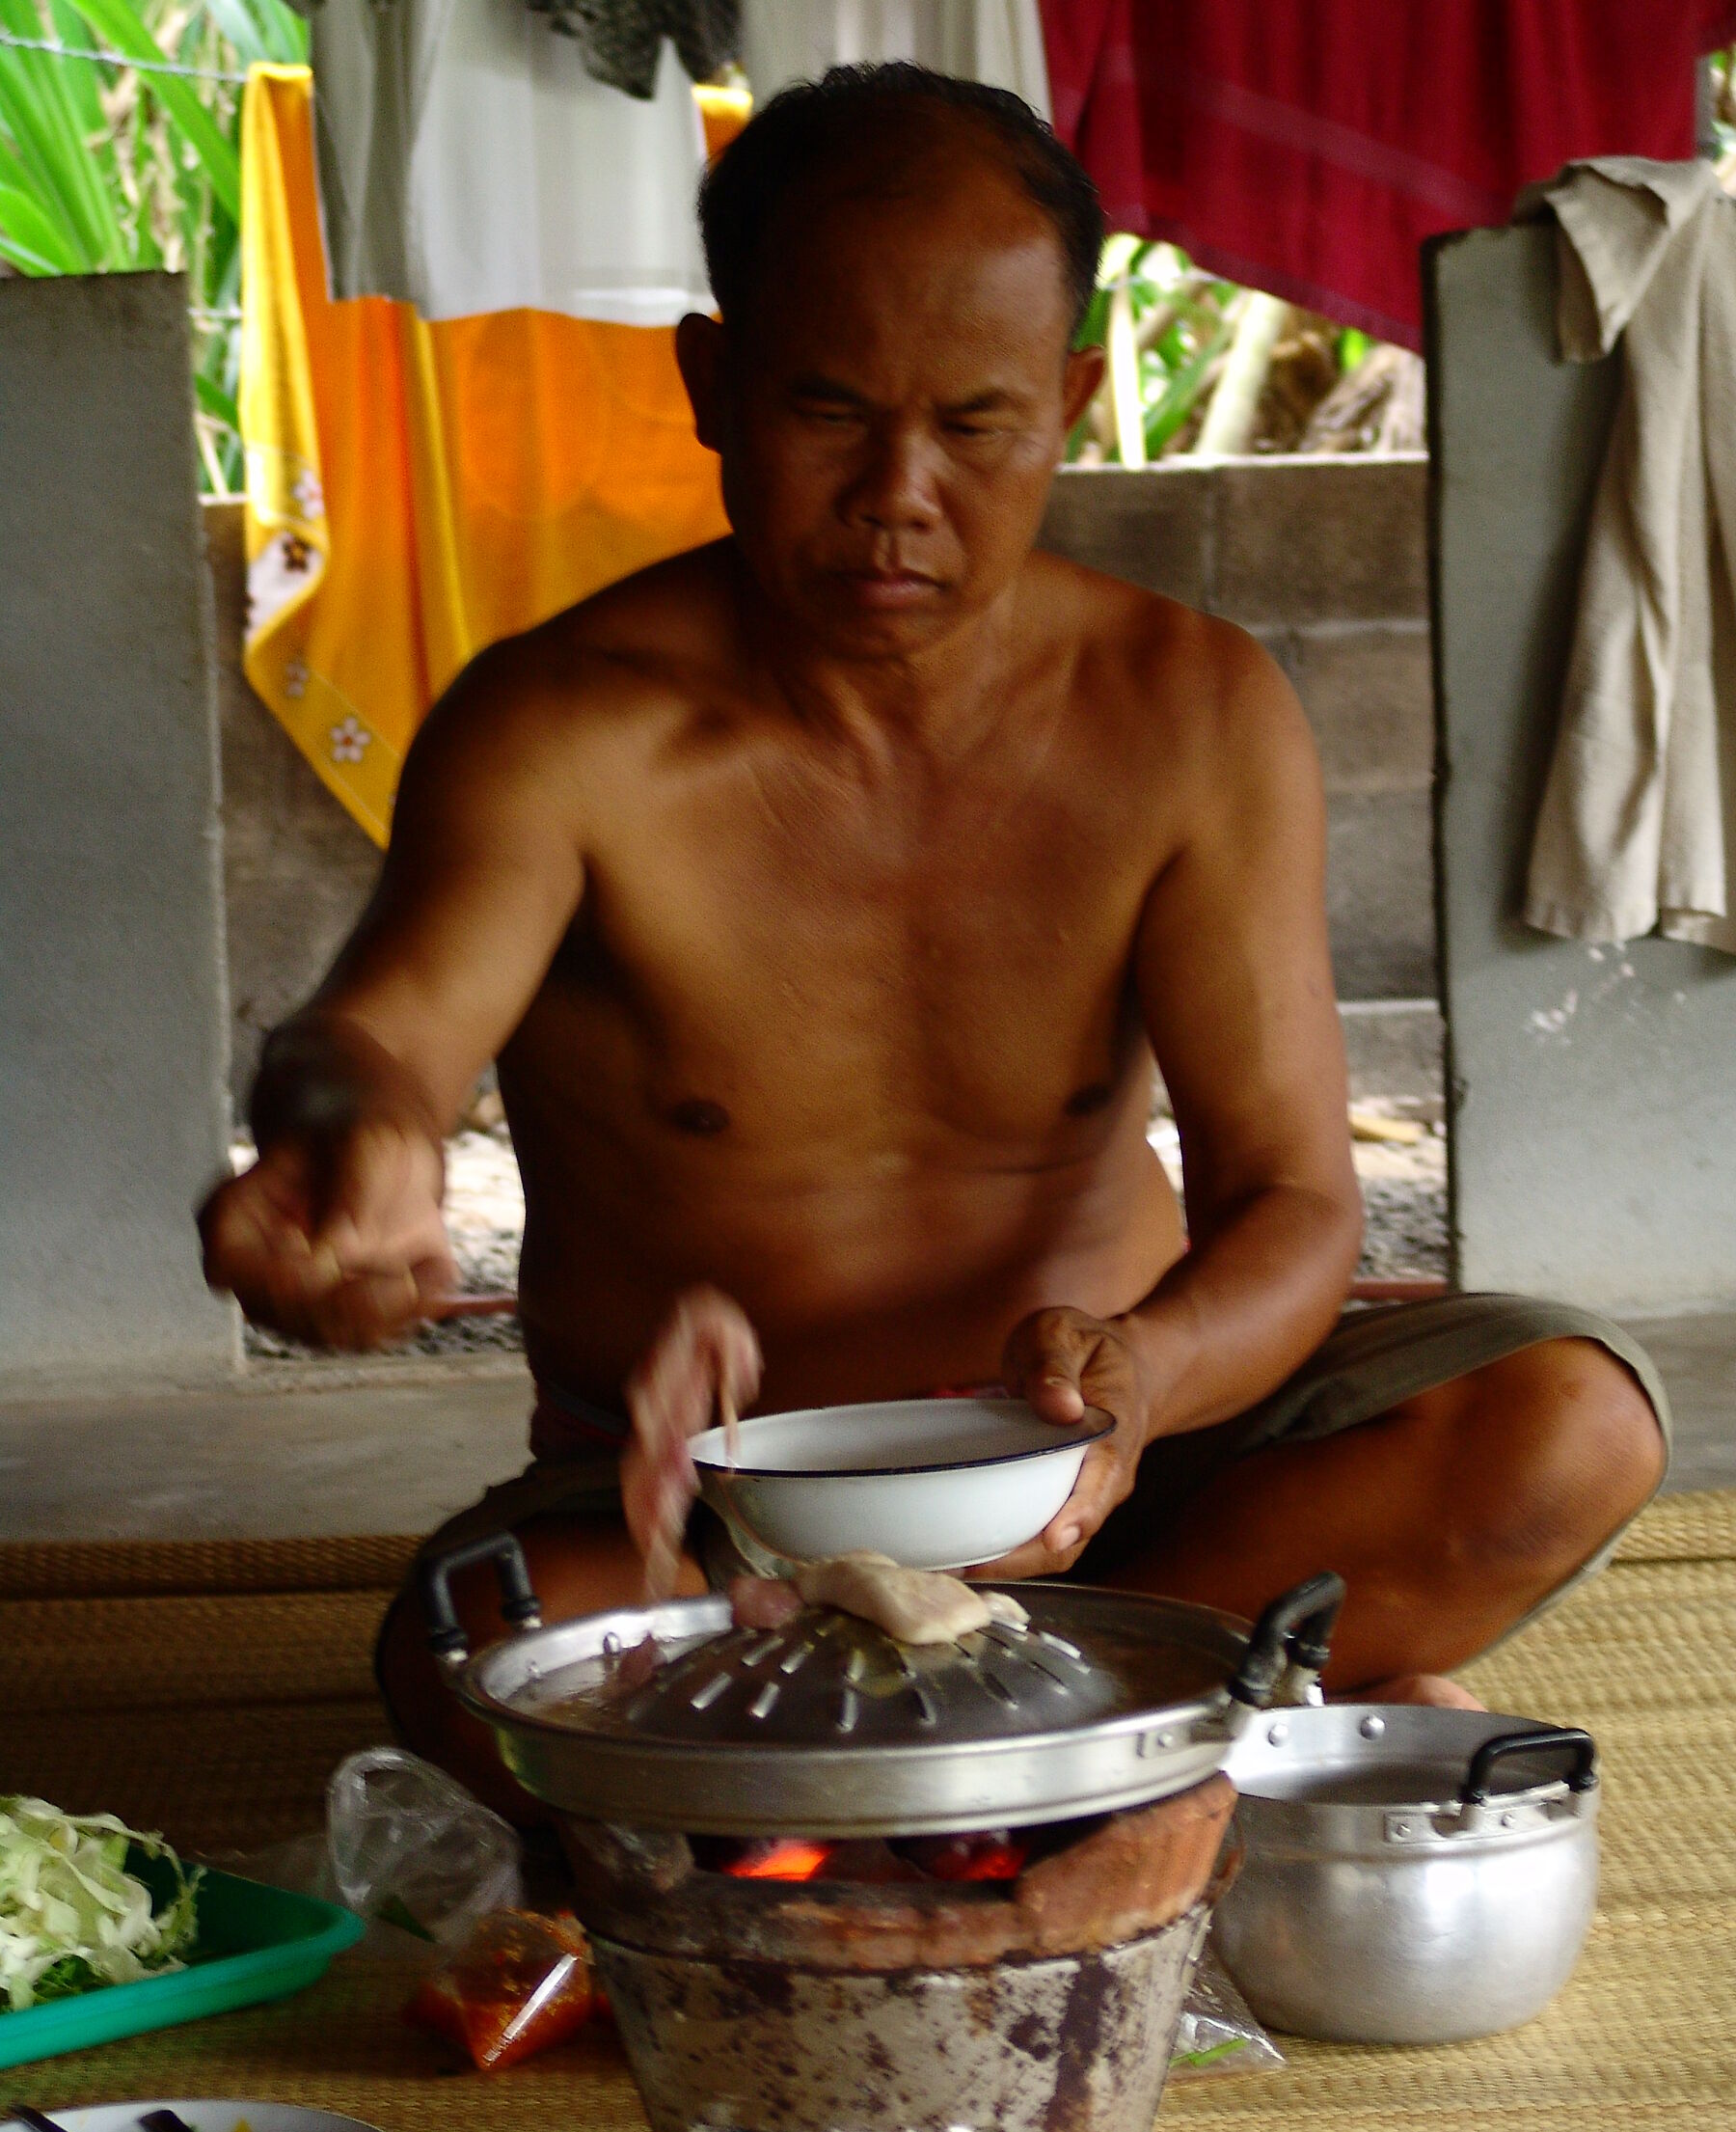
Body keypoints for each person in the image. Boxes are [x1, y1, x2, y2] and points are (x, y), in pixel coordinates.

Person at [200, 65, 1668, 1812]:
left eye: (974, 426)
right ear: (712, 385)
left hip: (1130, 1477)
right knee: (463, 1657)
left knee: (1569, 1420)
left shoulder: (1185, 710)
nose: (900, 492)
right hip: (714, 1515)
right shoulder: (564, 731)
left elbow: (1293, 1200)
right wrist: (342, 1151)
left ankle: (931, 1762)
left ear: (1073, 398)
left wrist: (1145, 1380)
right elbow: (379, 1039)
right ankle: (1188, 1723)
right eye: (831, 412)